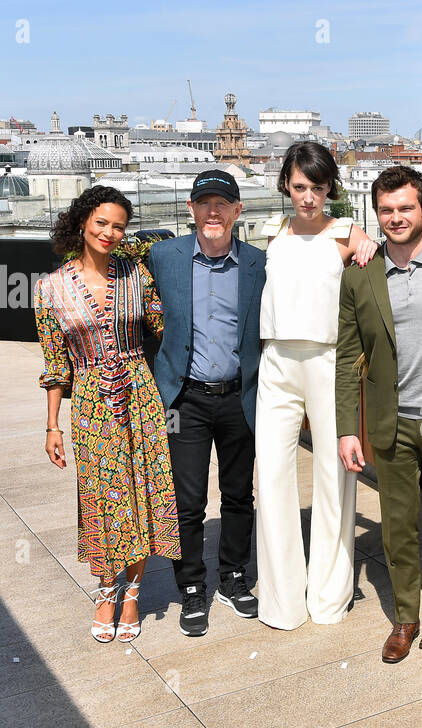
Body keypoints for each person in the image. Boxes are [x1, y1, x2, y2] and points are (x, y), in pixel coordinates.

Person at [36, 185, 180, 643]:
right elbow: (56, 365)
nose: (109, 233)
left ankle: (133, 593)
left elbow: (167, 326)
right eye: (101, 222)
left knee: (143, 494)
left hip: (141, 395)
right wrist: (52, 425)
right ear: (82, 222)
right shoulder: (50, 289)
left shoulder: (138, 275)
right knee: (104, 499)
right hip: (92, 405)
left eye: (119, 226)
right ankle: (105, 591)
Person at [335, 166, 422, 662]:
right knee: (397, 524)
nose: (395, 218)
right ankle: (406, 618)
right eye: (386, 210)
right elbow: (347, 358)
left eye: (405, 208)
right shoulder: (359, 279)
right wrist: (349, 429)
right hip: (391, 421)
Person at [256, 142, 376, 630]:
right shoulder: (271, 231)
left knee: (334, 475)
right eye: (301, 186)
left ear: (330, 188)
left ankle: (329, 594)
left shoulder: (349, 234)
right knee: (273, 478)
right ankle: (282, 600)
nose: (309, 197)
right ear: (286, 184)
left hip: (329, 361)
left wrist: (370, 244)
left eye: (318, 187)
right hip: (276, 361)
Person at [148, 169, 265, 636]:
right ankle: (191, 587)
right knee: (187, 501)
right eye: (204, 203)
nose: (213, 212)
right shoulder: (163, 256)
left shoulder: (259, 262)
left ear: (238, 211)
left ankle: (234, 578)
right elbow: (108, 247)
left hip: (240, 396)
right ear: (192, 209)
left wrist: (354, 232)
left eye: (223, 203)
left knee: (239, 496)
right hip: (185, 400)